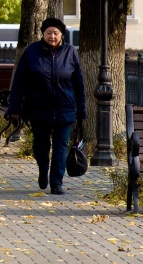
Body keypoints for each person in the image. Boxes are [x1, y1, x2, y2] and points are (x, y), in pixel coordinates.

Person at [7, 17, 86, 195]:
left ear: (61, 35)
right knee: (41, 146)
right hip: (38, 108)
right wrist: (15, 107)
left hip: (64, 108)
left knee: (60, 146)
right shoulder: (31, 52)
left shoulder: (70, 52)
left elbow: (79, 84)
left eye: (55, 33)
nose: (52, 36)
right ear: (43, 34)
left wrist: (81, 110)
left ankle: (56, 182)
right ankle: (43, 170)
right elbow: (19, 81)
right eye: (49, 33)